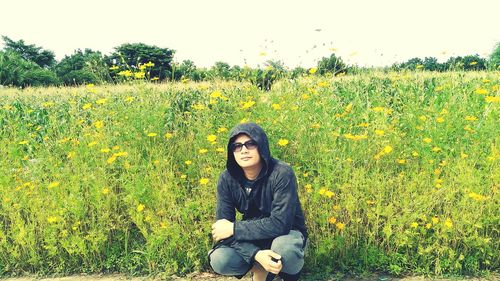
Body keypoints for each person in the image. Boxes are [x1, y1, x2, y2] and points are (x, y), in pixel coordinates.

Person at [208, 122, 308, 281]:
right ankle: (260, 267)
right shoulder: (226, 179)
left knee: (284, 249)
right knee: (220, 258)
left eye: (250, 143)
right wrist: (255, 254)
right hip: (253, 237)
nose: (244, 150)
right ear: (231, 151)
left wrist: (234, 228)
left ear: (261, 146)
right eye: (237, 146)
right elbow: (222, 231)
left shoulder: (282, 173)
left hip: (287, 234)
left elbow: (281, 224)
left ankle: (288, 275)